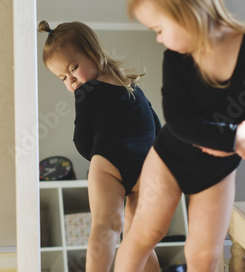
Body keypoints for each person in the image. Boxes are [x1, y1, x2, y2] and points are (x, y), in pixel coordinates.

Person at [113, 0, 245, 272]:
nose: (158, 40)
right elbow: (178, 118)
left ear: (187, 10)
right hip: (169, 159)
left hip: (216, 171)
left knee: (204, 255)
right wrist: (230, 136)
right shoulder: (177, 58)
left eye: (158, 29)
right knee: (144, 235)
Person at [38, 20, 162, 272]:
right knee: (135, 235)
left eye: (74, 68)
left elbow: (82, 141)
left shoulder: (92, 90)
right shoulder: (131, 87)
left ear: (93, 53)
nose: (71, 80)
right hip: (127, 166)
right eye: (63, 77)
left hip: (110, 161)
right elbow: (155, 125)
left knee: (113, 228)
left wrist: (96, 152)